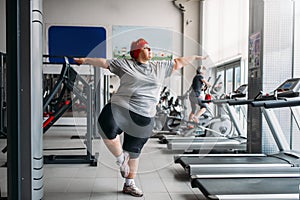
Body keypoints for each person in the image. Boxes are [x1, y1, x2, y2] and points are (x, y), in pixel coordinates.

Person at [74, 38, 207, 197]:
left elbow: (179, 61)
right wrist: (84, 60)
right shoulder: (124, 64)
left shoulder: (160, 66)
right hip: (120, 107)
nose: (151, 50)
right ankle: (120, 159)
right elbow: (103, 62)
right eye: (146, 48)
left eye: (150, 48)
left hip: (144, 114)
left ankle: (129, 184)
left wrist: (195, 57)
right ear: (137, 51)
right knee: (105, 126)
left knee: (133, 151)